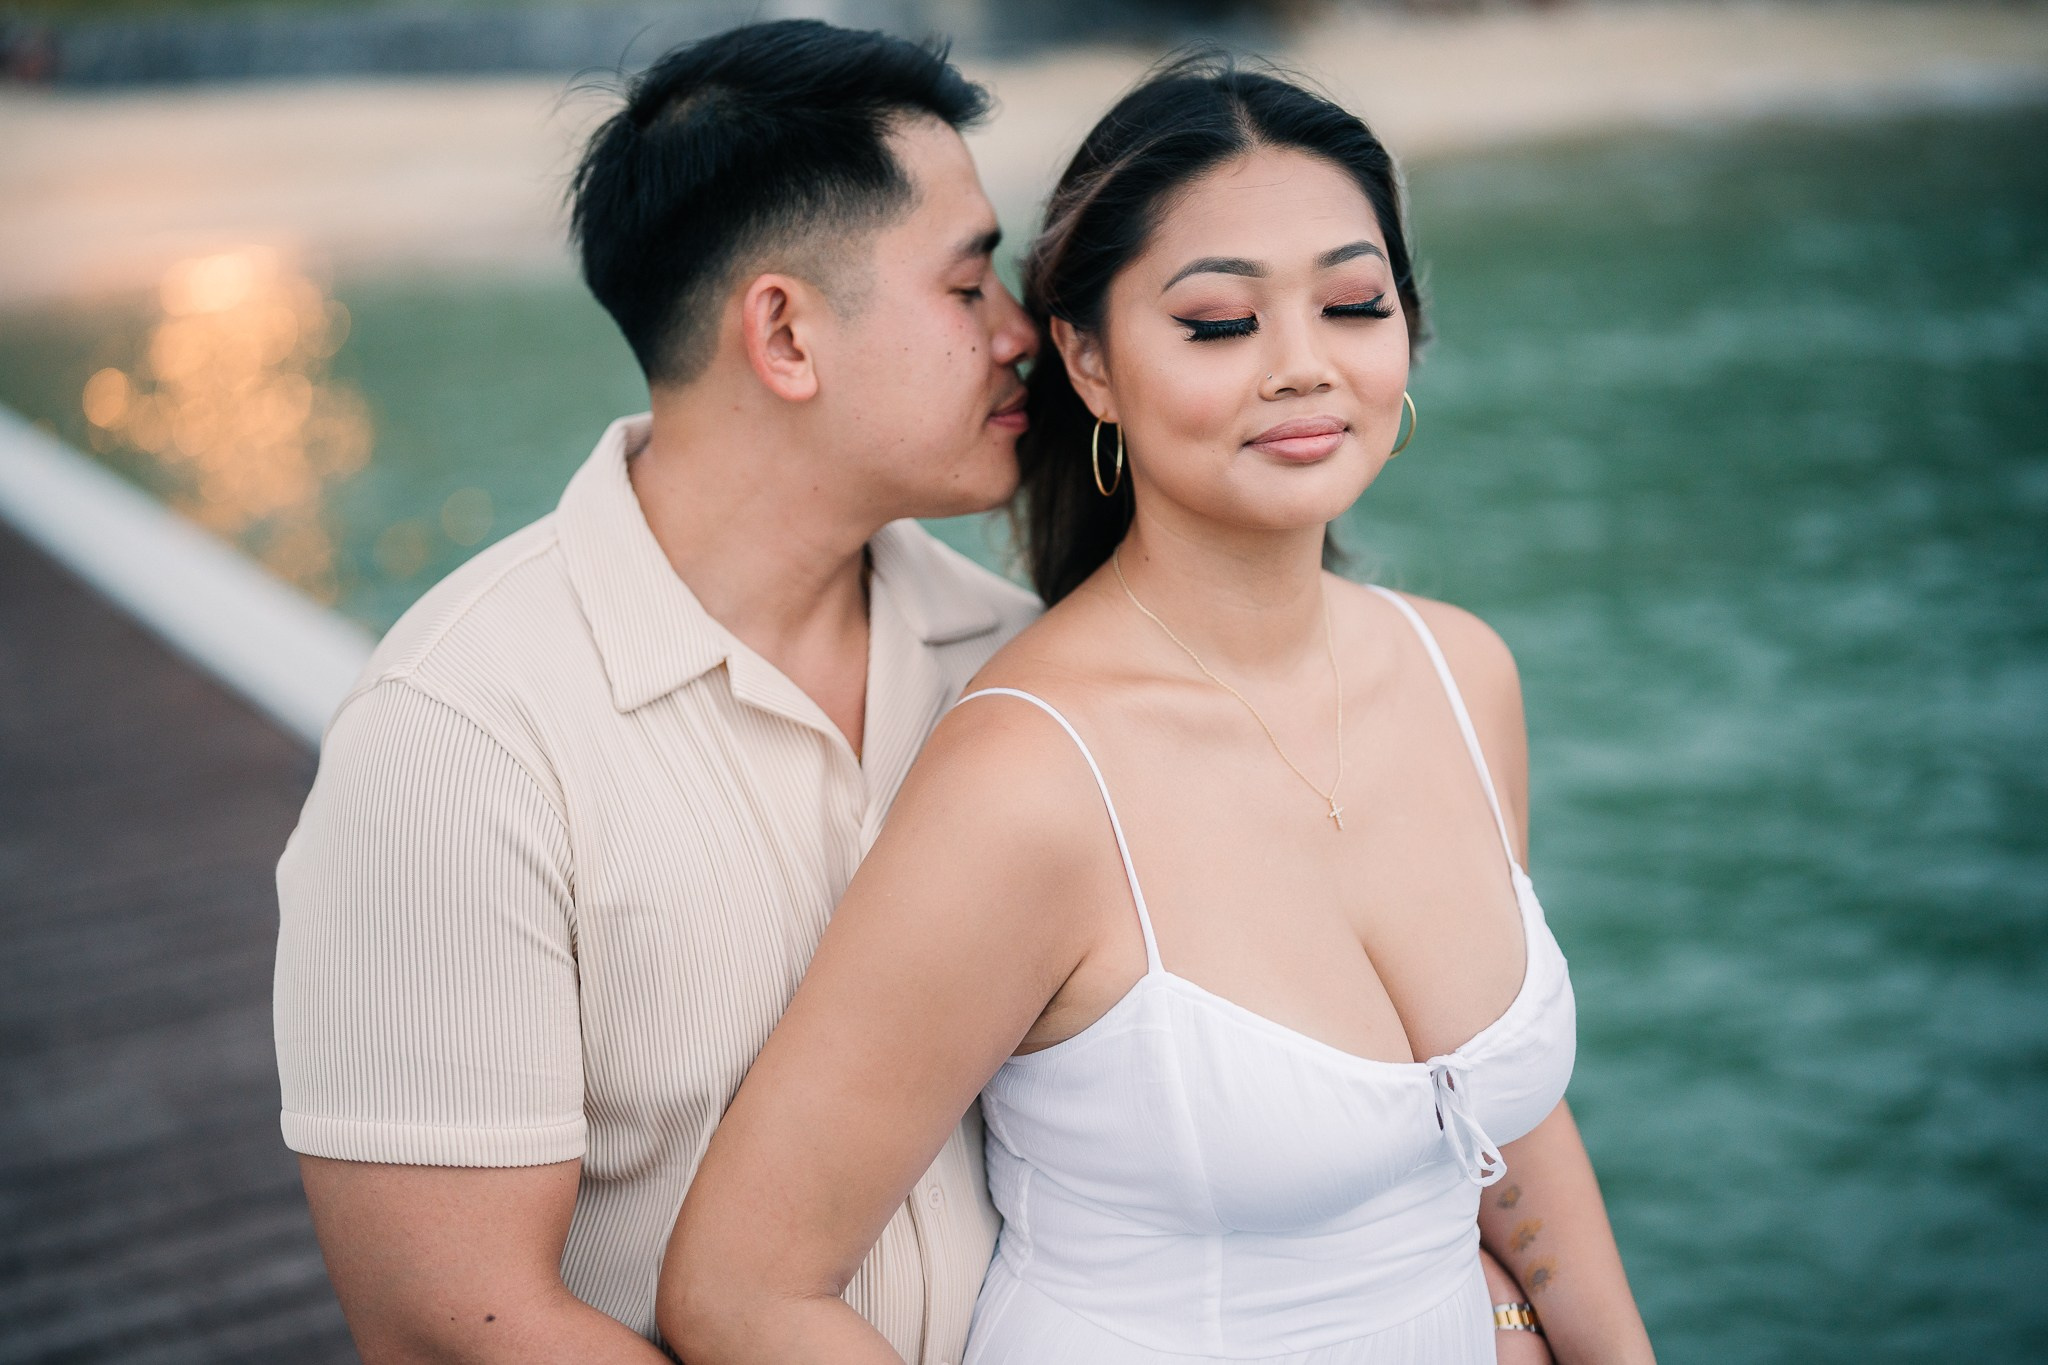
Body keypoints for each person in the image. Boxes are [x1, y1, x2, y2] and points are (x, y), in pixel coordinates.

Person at [657, 54, 1657, 1365]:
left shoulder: (1462, 673)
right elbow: (741, 1288)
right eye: (1220, 323)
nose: (1302, 367)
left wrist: (1537, 1328)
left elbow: (1496, 1120)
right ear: (1088, 361)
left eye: (1354, 303)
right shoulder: (1029, 779)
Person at [270, 20, 1038, 1362]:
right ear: (785, 333)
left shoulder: (1018, 663)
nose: (1019, 332)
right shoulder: (459, 734)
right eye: (969, 286)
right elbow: (455, 1324)